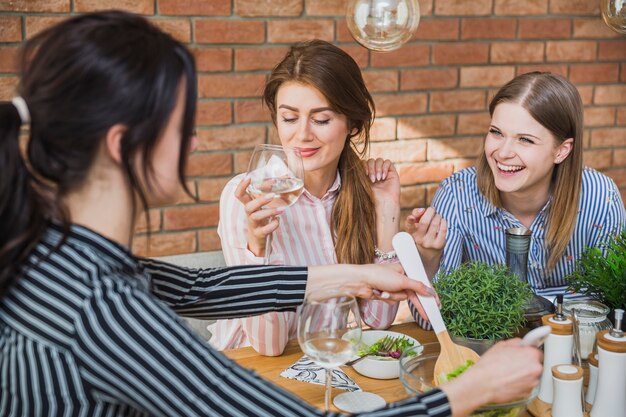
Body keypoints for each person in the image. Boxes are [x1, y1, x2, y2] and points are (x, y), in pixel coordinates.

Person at [0, 11, 542, 417]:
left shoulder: (58, 255)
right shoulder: (99, 306)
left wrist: (355, 276)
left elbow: (200, 290)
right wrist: (468, 392)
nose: (191, 138)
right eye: (180, 122)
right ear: (124, 144)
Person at [214, 40, 445, 355]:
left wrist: (386, 210)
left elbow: (377, 322)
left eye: (321, 119)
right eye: (289, 118)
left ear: (352, 123)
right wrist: (258, 248)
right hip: (250, 369)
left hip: (327, 362)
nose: (303, 134)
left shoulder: (356, 192)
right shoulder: (249, 197)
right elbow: (269, 347)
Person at [407, 72, 626, 326]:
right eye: (496, 132)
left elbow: (612, 311)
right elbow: (432, 322)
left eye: (525, 140)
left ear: (562, 150)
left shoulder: (600, 198)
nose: (503, 152)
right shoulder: (457, 195)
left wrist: (507, 308)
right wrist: (428, 258)